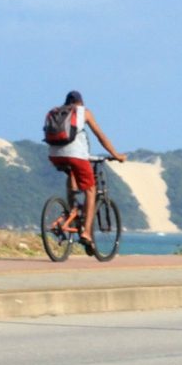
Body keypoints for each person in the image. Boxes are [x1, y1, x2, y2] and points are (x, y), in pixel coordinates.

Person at [47, 90, 127, 256]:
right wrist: (116, 155)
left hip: (54, 155)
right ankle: (86, 233)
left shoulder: (56, 112)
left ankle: (71, 211)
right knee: (90, 190)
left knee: (72, 173)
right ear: (80, 103)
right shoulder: (84, 112)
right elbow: (100, 136)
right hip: (76, 155)